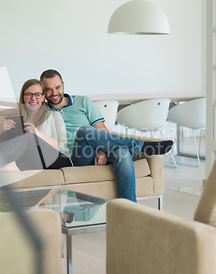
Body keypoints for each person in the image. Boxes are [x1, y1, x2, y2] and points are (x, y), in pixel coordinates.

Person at [40, 69, 173, 202]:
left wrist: (102, 151)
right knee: (84, 131)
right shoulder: (42, 111)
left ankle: (128, 209)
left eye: (57, 87)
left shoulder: (83, 102)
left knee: (123, 153)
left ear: (63, 84)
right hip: (76, 157)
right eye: (48, 90)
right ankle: (142, 145)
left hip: (97, 149)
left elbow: (101, 129)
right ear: (43, 91)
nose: (54, 93)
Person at [0, 78, 72, 173]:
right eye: (29, 94)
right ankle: (11, 165)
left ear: (43, 97)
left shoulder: (53, 115)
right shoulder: (19, 115)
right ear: (24, 97)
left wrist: (36, 133)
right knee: (5, 136)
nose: (33, 98)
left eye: (38, 94)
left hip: (59, 161)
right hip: (34, 161)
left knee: (28, 136)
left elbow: (62, 146)